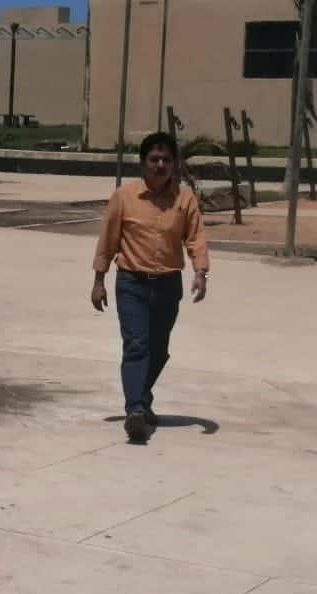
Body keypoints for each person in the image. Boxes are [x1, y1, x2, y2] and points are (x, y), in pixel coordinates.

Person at [91, 131, 210, 444]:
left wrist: (200, 271)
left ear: (175, 164)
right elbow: (108, 240)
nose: (160, 165)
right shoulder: (124, 196)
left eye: (166, 160)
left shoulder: (184, 198)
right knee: (137, 346)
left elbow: (195, 236)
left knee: (159, 350)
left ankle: (141, 398)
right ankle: (136, 409)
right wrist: (99, 279)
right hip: (132, 282)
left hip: (169, 284)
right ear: (143, 163)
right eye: (154, 159)